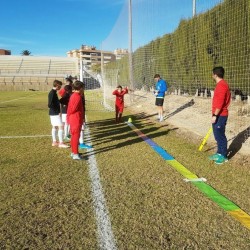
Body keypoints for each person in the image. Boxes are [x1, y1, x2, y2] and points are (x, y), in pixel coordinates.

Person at [209, 66, 231, 164]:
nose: (212, 75)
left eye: (212, 74)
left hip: (220, 115)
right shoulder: (220, 85)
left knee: (220, 135)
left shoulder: (222, 85)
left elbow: (220, 102)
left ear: (215, 75)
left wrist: (215, 115)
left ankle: (224, 156)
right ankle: (219, 153)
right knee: (217, 135)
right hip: (218, 114)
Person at [48, 80, 69, 148]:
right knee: (61, 127)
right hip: (55, 113)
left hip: (53, 113)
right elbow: (50, 104)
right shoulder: (52, 93)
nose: (60, 87)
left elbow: (55, 102)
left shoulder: (54, 92)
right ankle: (61, 143)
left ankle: (54, 142)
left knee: (55, 126)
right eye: (60, 86)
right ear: (57, 85)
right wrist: (57, 112)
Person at [67, 80, 85, 160]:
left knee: (74, 136)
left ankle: (73, 152)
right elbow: (72, 109)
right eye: (83, 88)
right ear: (80, 88)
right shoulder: (77, 97)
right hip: (75, 119)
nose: (83, 89)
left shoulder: (74, 95)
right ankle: (75, 154)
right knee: (76, 136)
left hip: (74, 118)